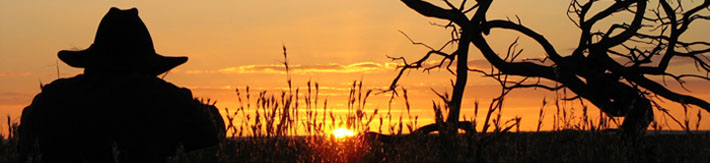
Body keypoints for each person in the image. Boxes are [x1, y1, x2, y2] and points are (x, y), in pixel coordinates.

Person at [18, 7, 225, 163]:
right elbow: (214, 127)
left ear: (92, 62)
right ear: (146, 66)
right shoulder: (164, 100)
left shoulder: (52, 100)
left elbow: (25, 138)